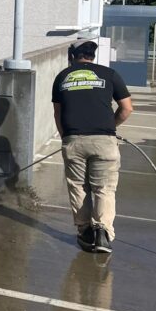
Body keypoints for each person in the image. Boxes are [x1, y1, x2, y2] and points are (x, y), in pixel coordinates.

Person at [52, 40, 133, 254]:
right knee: (104, 188)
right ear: (93, 56)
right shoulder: (110, 74)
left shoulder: (62, 77)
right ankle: (103, 234)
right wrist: (109, 129)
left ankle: (86, 231)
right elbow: (126, 108)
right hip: (104, 142)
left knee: (78, 187)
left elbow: (58, 114)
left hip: (73, 140)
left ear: (72, 56)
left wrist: (66, 138)